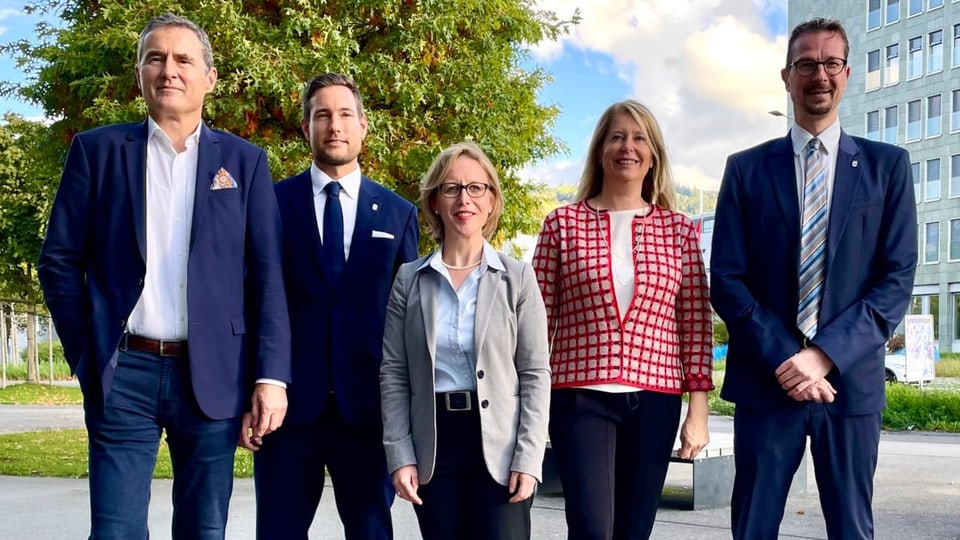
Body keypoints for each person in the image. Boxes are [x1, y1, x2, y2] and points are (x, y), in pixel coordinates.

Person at [36, 13, 291, 539]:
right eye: (155, 58)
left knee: (203, 530)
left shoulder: (245, 163)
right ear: (140, 73)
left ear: (209, 78)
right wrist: (87, 352)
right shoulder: (97, 151)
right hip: (122, 372)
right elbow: (59, 260)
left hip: (213, 378)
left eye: (182, 59)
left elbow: (267, 278)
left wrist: (269, 378)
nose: (168, 70)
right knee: (114, 531)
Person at [710, 17, 918, 540]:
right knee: (752, 528)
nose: (818, 74)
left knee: (851, 528)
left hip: (848, 388)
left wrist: (821, 355)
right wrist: (788, 356)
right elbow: (728, 280)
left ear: (846, 74)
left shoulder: (888, 167)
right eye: (806, 63)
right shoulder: (746, 169)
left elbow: (894, 280)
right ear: (787, 75)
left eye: (829, 63)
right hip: (766, 382)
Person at [531, 99, 713, 539]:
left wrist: (698, 412)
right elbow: (534, 325)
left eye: (638, 138)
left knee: (634, 530)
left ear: (653, 155)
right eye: (616, 137)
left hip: (656, 399)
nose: (626, 147)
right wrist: (529, 410)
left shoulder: (679, 230)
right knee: (592, 528)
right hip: (579, 398)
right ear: (599, 150)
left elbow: (694, 323)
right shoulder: (562, 224)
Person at [252, 72, 419, 540]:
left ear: (363, 127)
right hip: (286, 409)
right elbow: (255, 299)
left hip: (367, 412)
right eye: (321, 115)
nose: (334, 125)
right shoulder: (269, 204)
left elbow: (407, 320)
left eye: (345, 114)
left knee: (370, 532)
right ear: (306, 128)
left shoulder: (397, 212)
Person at [380, 141, 551, 540]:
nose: (464, 198)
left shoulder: (517, 278)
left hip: (500, 446)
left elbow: (535, 373)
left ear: (492, 201)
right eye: (451, 188)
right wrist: (400, 455)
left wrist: (530, 457)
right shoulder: (409, 279)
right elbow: (394, 373)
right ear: (435, 201)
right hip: (434, 446)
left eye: (477, 188)